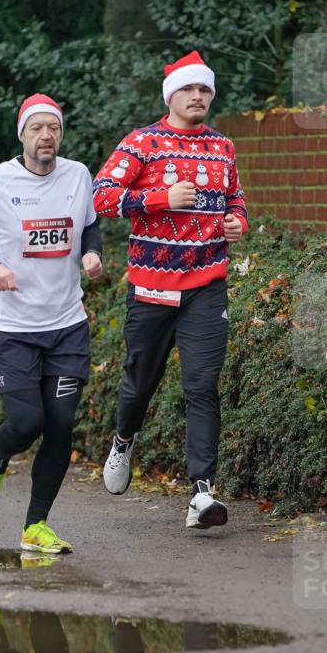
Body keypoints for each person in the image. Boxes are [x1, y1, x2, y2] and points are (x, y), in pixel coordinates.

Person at [93, 51, 247, 529]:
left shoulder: (223, 147)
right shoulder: (143, 143)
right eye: (189, 90)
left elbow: (235, 197)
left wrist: (237, 221)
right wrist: (160, 198)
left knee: (202, 386)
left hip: (206, 285)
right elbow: (99, 195)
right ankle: (123, 442)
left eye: (205, 90)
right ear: (172, 96)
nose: (198, 97)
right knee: (141, 381)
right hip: (152, 287)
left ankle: (202, 494)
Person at [0, 93, 102, 552]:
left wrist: (93, 253)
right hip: (12, 328)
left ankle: (36, 526)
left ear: (61, 133)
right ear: (23, 135)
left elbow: (90, 226)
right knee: (28, 419)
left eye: (52, 127)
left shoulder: (78, 175)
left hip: (67, 325)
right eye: (36, 128)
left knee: (60, 423)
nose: (46, 135)